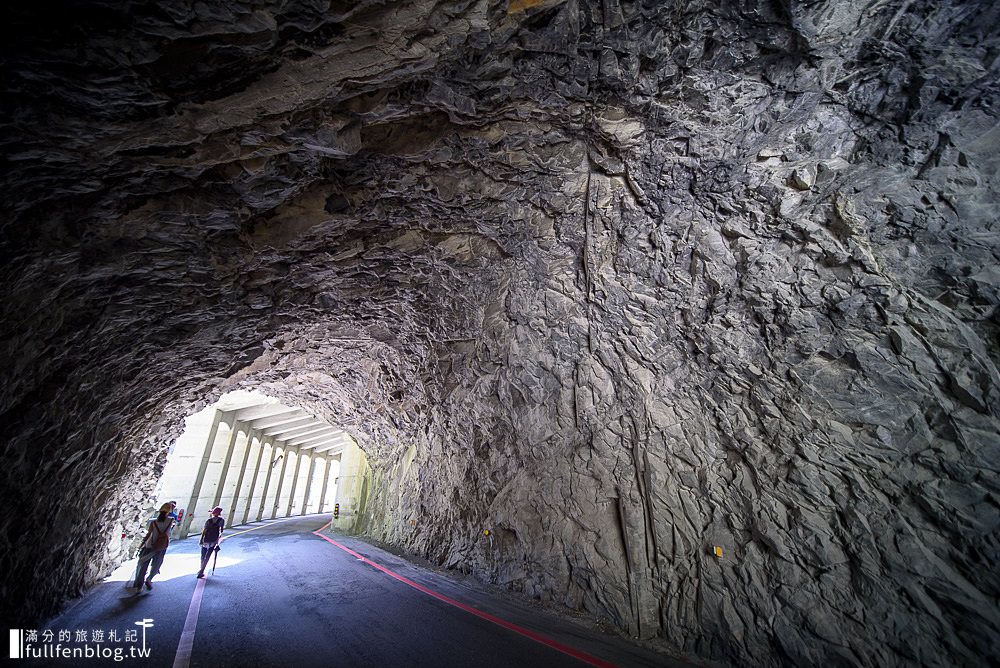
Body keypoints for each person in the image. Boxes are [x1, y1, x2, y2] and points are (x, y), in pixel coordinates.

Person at [130, 503, 175, 592]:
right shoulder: (171, 520)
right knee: (157, 564)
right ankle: (149, 579)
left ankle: (139, 586)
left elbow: (149, 534)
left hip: (149, 545)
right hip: (161, 546)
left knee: (143, 565)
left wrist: (142, 544)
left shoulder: (153, 522)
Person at [197, 506, 225, 579]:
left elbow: (204, 530)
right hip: (213, 540)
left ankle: (201, 569)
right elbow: (221, 531)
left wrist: (201, 539)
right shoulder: (221, 520)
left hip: (206, 539)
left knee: (203, 555)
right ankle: (202, 570)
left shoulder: (208, 521)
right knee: (208, 556)